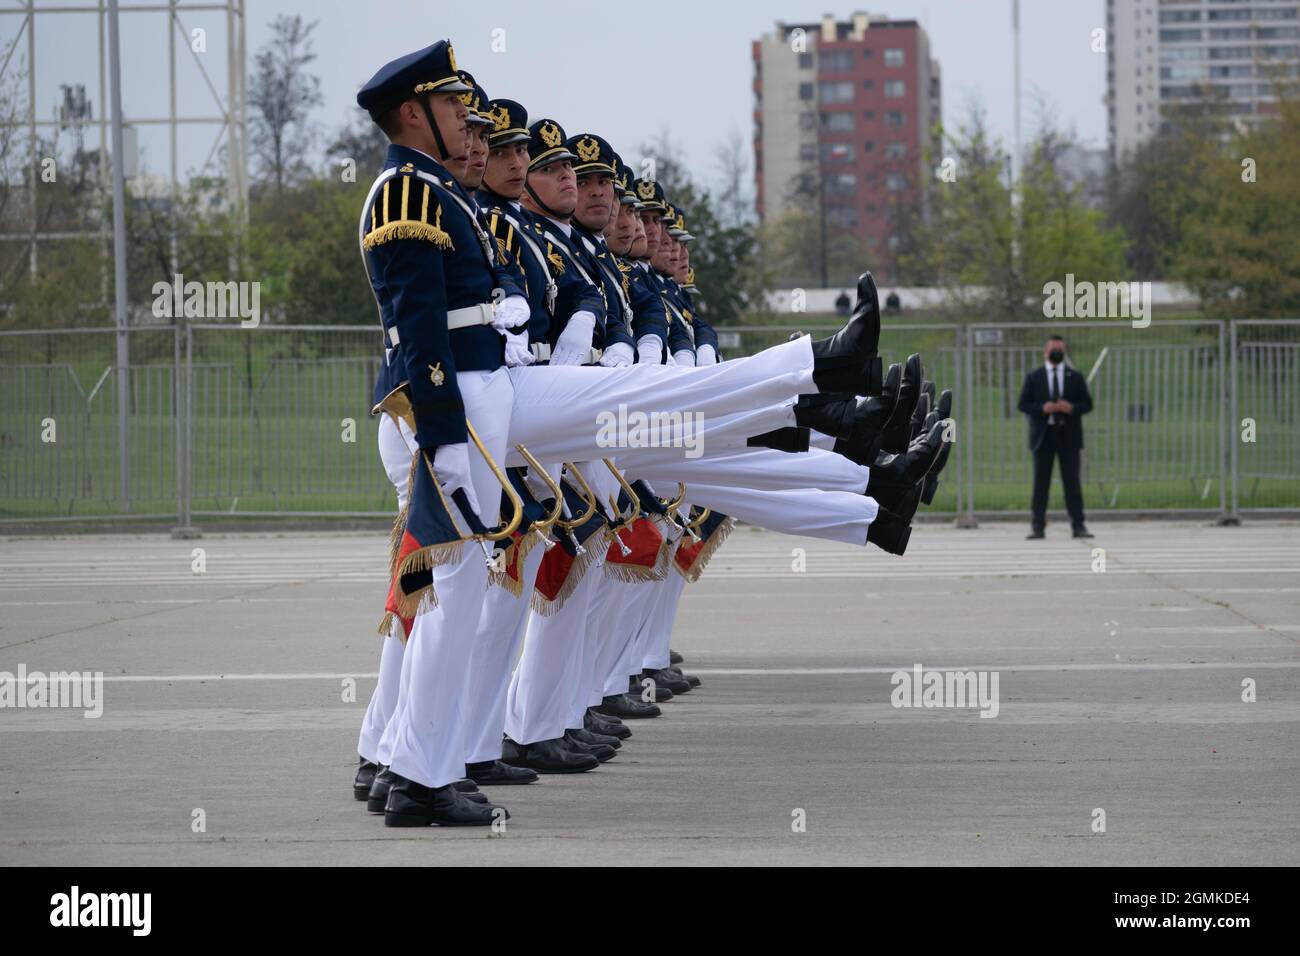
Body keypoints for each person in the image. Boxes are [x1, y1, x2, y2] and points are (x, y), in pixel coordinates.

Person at [1018, 334, 1093, 539]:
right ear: (1045, 351)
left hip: (1068, 436)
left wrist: (1071, 408)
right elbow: (1023, 404)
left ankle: (1078, 525)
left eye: (1060, 349)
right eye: (1053, 349)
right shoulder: (1034, 376)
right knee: (1041, 484)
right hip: (1044, 436)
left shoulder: (1075, 376)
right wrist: (1043, 408)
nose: (1057, 352)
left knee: (1072, 483)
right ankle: (1037, 526)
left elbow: (1087, 404)